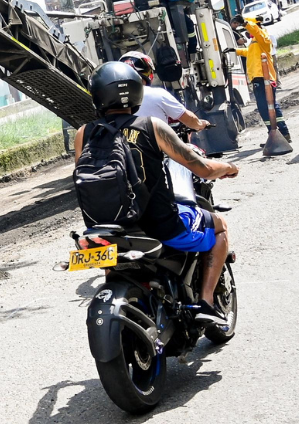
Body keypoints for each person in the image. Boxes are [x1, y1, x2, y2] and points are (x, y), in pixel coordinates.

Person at [74, 62, 240, 325]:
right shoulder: (151, 126)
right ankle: (207, 302)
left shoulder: (84, 134)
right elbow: (203, 168)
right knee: (218, 226)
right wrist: (229, 167)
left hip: (106, 229)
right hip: (161, 226)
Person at [120, 51, 211, 131]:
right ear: (148, 72)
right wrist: (200, 124)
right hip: (156, 148)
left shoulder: (111, 99)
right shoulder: (157, 94)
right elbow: (188, 119)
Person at [233, 15, 290, 142]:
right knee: (265, 107)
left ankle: (282, 133)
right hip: (259, 78)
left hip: (263, 78)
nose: (247, 31)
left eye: (248, 28)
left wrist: (245, 23)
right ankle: (274, 134)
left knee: (269, 107)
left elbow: (256, 31)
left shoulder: (262, 37)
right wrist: (235, 50)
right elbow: (250, 53)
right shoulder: (256, 42)